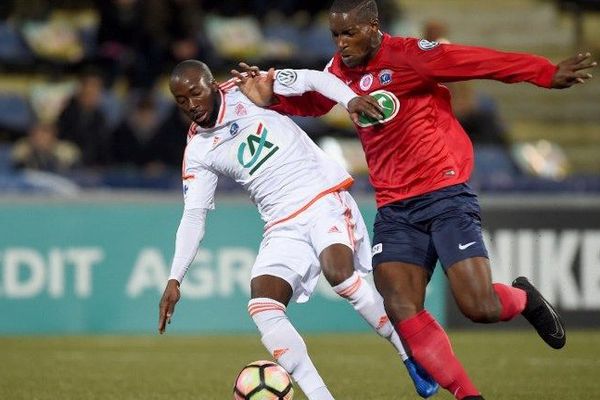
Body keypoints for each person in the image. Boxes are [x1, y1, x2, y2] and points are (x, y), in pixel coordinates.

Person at [232, 1, 597, 399]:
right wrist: (271, 99)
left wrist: (544, 72)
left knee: (479, 306)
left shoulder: (410, 56)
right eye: (335, 35)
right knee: (401, 308)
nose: (341, 44)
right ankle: (468, 395)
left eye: (349, 34)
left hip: (444, 193)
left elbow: (478, 62)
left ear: (373, 27)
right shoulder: (338, 72)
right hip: (394, 207)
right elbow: (317, 103)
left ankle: (524, 298)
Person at [157, 60, 438, 400]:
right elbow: (194, 216)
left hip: (321, 198)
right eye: (181, 100)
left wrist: (349, 99)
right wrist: (175, 278)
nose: (191, 105)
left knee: (341, 276)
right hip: (280, 223)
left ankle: (409, 354)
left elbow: (314, 79)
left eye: (195, 94)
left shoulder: (251, 88)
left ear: (212, 85)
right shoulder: (199, 150)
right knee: (263, 305)